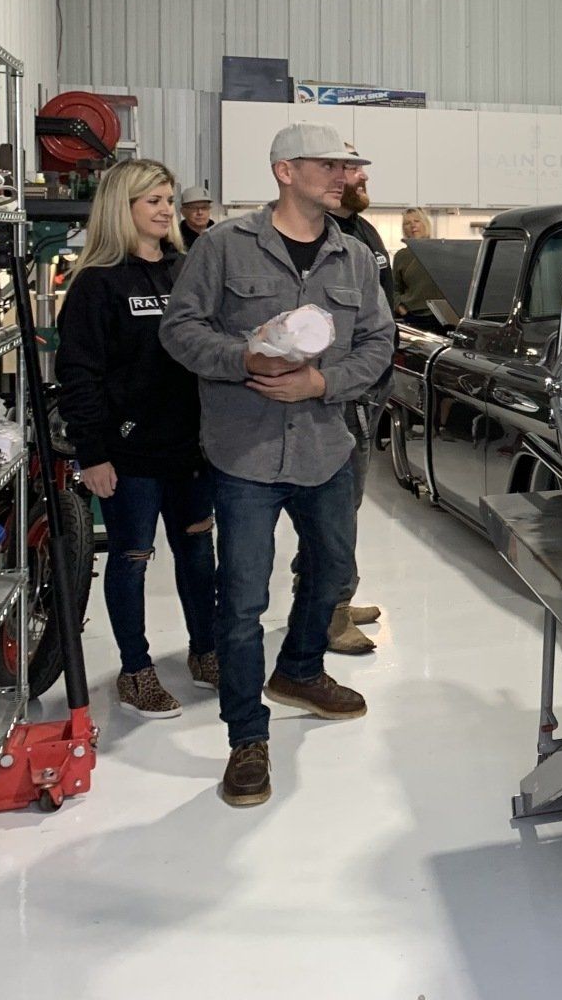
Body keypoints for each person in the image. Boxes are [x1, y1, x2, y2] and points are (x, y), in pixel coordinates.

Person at [161, 122, 395, 808]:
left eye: (346, 168)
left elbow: (379, 342)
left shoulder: (354, 260)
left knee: (332, 574)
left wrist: (324, 384)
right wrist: (244, 360)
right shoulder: (223, 246)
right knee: (241, 601)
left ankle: (298, 668)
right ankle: (247, 738)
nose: (343, 177)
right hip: (246, 452)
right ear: (285, 171)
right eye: (329, 165)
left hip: (326, 446)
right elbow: (180, 328)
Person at [55, 160, 217, 719]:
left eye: (169, 199)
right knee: (131, 559)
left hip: (191, 448)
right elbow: (78, 373)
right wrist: (92, 452)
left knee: (198, 553)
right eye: (152, 200)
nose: (167, 209)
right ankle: (136, 670)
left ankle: (206, 651)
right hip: (129, 455)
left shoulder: (187, 271)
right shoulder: (97, 283)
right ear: (121, 208)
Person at [317, 143, 393, 655]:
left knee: (349, 502)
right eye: (351, 167)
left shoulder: (363, 232)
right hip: (341, 392)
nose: (362, 174)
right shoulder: (327, 236)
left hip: (368, 389)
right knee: (336, 507)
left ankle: (330, 598)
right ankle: (330, 612)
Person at [392, 207, 446, 319]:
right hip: (413, 315)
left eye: (417, 221)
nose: (413, 225)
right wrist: (401, 309)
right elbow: (394, 288)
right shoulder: (401, 256)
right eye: (407, 223)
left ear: (425, 224)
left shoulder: (442, 249)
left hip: (443, 315)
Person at [178, 183, 215, 251]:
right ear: (183, 211)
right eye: (194, 208)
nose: (200, 212)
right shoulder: (175, 239)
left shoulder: (219, 235)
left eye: (204, 207)